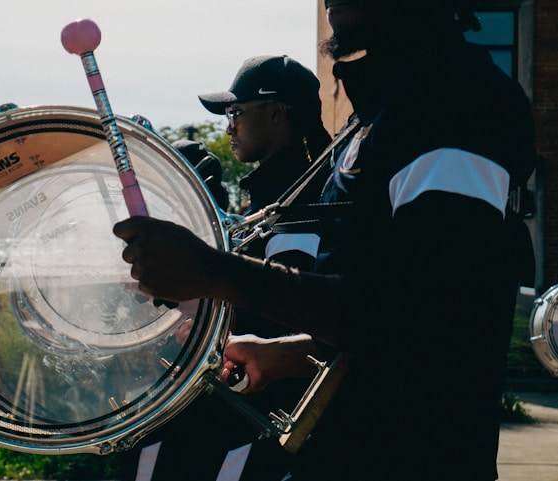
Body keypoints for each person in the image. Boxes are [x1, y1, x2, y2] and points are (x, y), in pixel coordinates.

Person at [113, 1, 537, 479]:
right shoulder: (389, 107)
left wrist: (212, 271)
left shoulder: (450, 103)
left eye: (238, 112)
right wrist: (288, 355)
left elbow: (425, 314)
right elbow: (382, 320)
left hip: (412, 458)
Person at [120, 55, 331, 481]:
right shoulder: (270, 200)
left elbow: (280, 317)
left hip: (260, 411)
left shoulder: (303, 205)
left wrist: (199, 309)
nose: (228, 126)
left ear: (276, 114)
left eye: (237, 112)